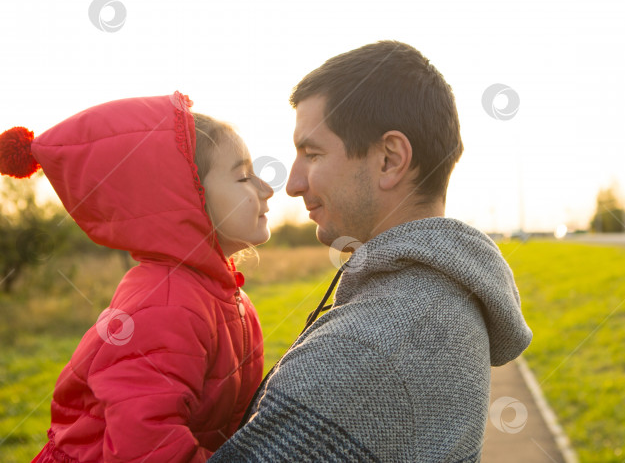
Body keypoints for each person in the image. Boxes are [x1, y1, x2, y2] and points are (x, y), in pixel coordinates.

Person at [211, 41, 533, 462]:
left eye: (312, 154)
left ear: (389, 160)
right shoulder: (444, 296)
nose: (291, 183)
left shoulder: (369, 351)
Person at [0, 91, 271, 462]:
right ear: (186, 197)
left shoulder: (223, 295)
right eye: (243, 177)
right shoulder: (166, 305)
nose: (267, 190)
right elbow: (146, 450)